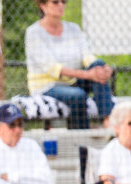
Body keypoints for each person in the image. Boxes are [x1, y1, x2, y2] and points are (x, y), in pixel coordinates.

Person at [25, 0, 114, 130]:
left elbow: (87, 56)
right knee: (77, 95)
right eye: (55, 2)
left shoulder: (74, 28)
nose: (61, 5)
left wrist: (104, 70)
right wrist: (88, 75)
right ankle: (82, 137)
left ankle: (108, 121)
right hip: (47, 87)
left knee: (98, 64)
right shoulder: (33, 33)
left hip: (73, 82)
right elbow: (52, 68)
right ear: (43, 5)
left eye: (63, 1)